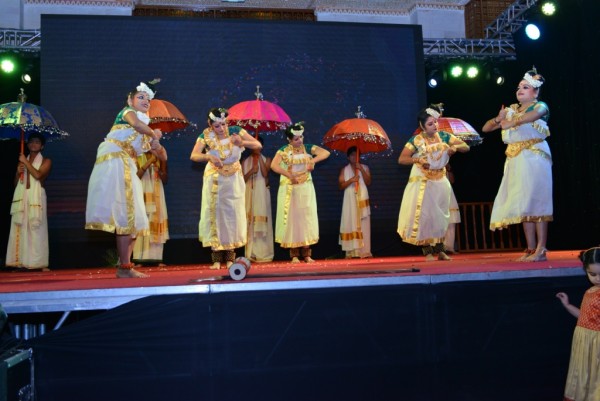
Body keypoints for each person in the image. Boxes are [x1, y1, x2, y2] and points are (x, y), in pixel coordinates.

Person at [85, 81, 167, 278]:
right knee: (125, 213)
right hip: (115, 160)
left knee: (134, 217)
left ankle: (125, 266)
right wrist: (152, 132)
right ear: (130, 100)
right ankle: (124, 267)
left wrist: (157, 142)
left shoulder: (145, 131)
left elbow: (163, 157)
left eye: (148, 99)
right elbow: (137, 124)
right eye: (141, 97)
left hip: (128, 165)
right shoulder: (127, 113)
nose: (145, 101)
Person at [482, 67, 552, 262]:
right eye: (519, 87)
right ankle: (530, 248)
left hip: (535, 155)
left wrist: (512, 122)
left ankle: (541, 248)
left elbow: (532, 116)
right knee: (524, 202)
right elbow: (486, 128)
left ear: (535, 92)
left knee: (537, 200)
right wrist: (499, 118)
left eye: (526, 87)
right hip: (515, 159)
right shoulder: (511, 110)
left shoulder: (540, 106)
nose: (520, 90)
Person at [190, 107, 262, 270]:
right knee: (215, 214)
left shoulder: (236, 131)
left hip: (234, 179)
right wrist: (208, 156)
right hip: (215, 179)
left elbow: (257, 145)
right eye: (217, 126)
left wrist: (241, 142)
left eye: (223, 124)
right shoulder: (205, 136)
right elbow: (194, 155)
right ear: (210, 124)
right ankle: (216, 258)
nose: (221, 128)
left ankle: (230, 257)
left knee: (232, 214)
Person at [397, 105, 470, 261]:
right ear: (422, 126)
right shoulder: (416, 140)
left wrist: (454, 147)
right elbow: (402, 159)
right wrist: (418, 159)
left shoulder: (444, 136)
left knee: (440, 215)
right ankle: (428, 251)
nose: (435, 125)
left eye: (435, 122)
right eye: (430, 124)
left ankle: (441, 250)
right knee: (425, 216)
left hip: (440, 180)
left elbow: (465, 147)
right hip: (423, 180)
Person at [271, 122, 330, 263]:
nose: (300, 140)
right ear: (289, 139)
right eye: (296, 139)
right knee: (292, 220)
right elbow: (273, 166)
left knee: (306, 219)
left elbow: (325, 153)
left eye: (301, 137)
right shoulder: (283, 150)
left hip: (305, 189)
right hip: (290, 189)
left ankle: (307, 254)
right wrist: (288, 175)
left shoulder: (308, 148)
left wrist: (312, 161)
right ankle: (294, 255)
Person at [555, 247, 600, 401]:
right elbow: (583, 317)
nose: (597, 279)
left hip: (596, 343)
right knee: (585, 374)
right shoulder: (590, 291)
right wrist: (567, 305)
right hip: (584, 341)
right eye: (592, 274)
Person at [5, 132, 52, 271]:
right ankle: (20, 262)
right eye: (31, 141)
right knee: (20, 229)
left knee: (36, 229)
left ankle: (38, 263)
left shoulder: (46, 161)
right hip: (22, 198)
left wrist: (25, 163)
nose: (33, 144)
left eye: (37, 142)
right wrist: (17, 172)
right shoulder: (22, 161)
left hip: (36, 198)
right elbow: (16, 184)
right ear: (27, 144)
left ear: (42, 146)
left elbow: (38, 175)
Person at [132, 150, 169, 266]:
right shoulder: (136, 153)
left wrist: (160, 171)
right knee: (142, 223)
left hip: (157, 190)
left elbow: (165, 179)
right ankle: (139, 259)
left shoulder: (160, 153)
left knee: (157, 221)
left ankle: (157, 258)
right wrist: (149, 162)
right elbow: (136, 176)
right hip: (141, 190)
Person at [242, 136, 274, 262]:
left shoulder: (267, 159)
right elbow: (242, 179)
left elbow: (265, 174)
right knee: (250, 222)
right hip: (249, 193)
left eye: (258, 145)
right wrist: (251, 171)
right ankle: (251, 253)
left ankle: (263, 253)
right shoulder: (245, 161)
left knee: (261, 220)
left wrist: (259, 159)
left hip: (262, 194)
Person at [338, 146, 372, 258]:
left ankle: (364, 252)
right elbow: (341, 186)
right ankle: (351, 252)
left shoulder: (365, 167)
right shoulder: (345, 169)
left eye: (357, 155)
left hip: (362, 198)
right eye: (352, 155)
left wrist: (361, 169)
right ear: (348, 157)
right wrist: (351, 180)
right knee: (350, 222)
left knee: (364, 224)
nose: (354, 157)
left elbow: (368, 182)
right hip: (350, 199)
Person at [444, 164, 461, 254]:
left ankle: (449, 247)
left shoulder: (446, 168)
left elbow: (452, 180)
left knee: (451, 221)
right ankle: (436, 248)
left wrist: (449, 170)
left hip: (448, 194)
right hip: (436, 195)